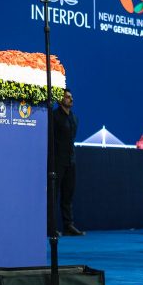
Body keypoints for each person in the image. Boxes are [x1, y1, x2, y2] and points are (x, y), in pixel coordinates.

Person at [53, 88, 83, 236]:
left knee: (68, 195)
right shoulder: (54, 117)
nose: (71, 99)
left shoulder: (75, 118)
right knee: (54, 195)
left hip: (71, 161)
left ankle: (68, 225)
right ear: (60, 100)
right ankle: (50, 226)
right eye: (67, 97)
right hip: (58, 161)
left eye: (71, 97)